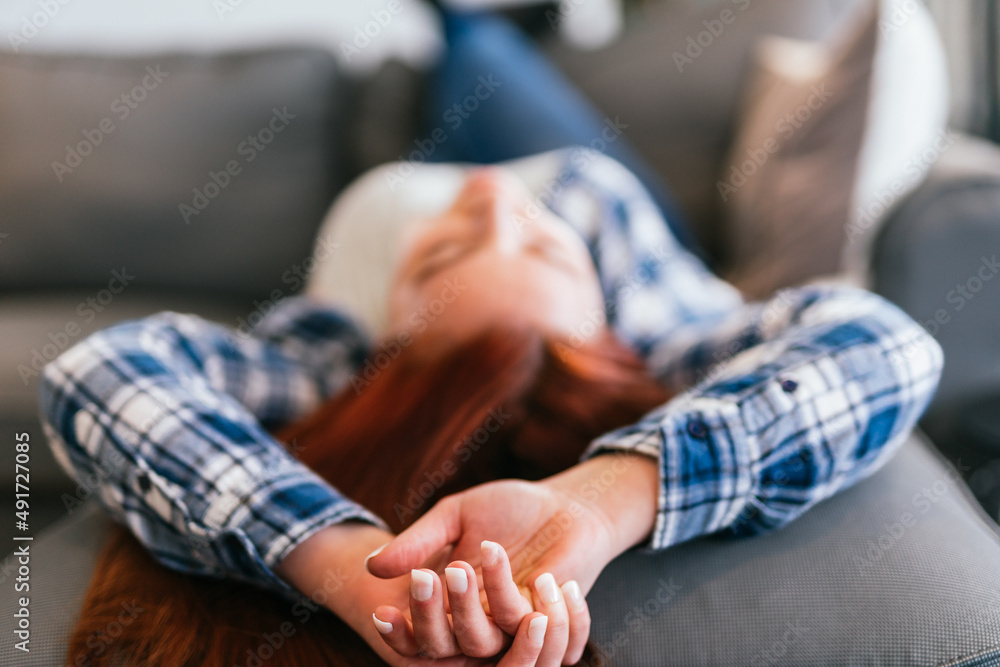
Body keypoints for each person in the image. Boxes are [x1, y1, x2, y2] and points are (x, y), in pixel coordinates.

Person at [38, 11, 944, 667]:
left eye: (465, 246)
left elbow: (99, 375)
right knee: (529, 112)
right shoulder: (630, 299)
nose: (492, 197)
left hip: (384, 222)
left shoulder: (345, 343)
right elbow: (884, 345)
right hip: (523, 219)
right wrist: (584, 507)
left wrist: (348, 557)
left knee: (499, 92)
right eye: (470, 240)